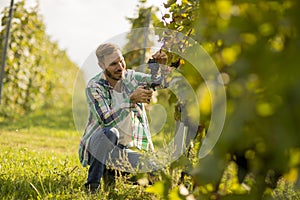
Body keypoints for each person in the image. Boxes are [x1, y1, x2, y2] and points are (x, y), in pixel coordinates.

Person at [78, 43, 168, 193]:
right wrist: (131, 100)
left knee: (154, 170)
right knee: (110, 133)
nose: (120, 66)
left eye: (121, 60)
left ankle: (111, 173)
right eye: (113, 64)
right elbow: (106, 120)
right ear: (101, 65)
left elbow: (161, 82)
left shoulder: (131, 78)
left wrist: (162, 67)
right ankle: (92, 187)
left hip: (121, 151)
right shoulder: (94, 86)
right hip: (98, 144)